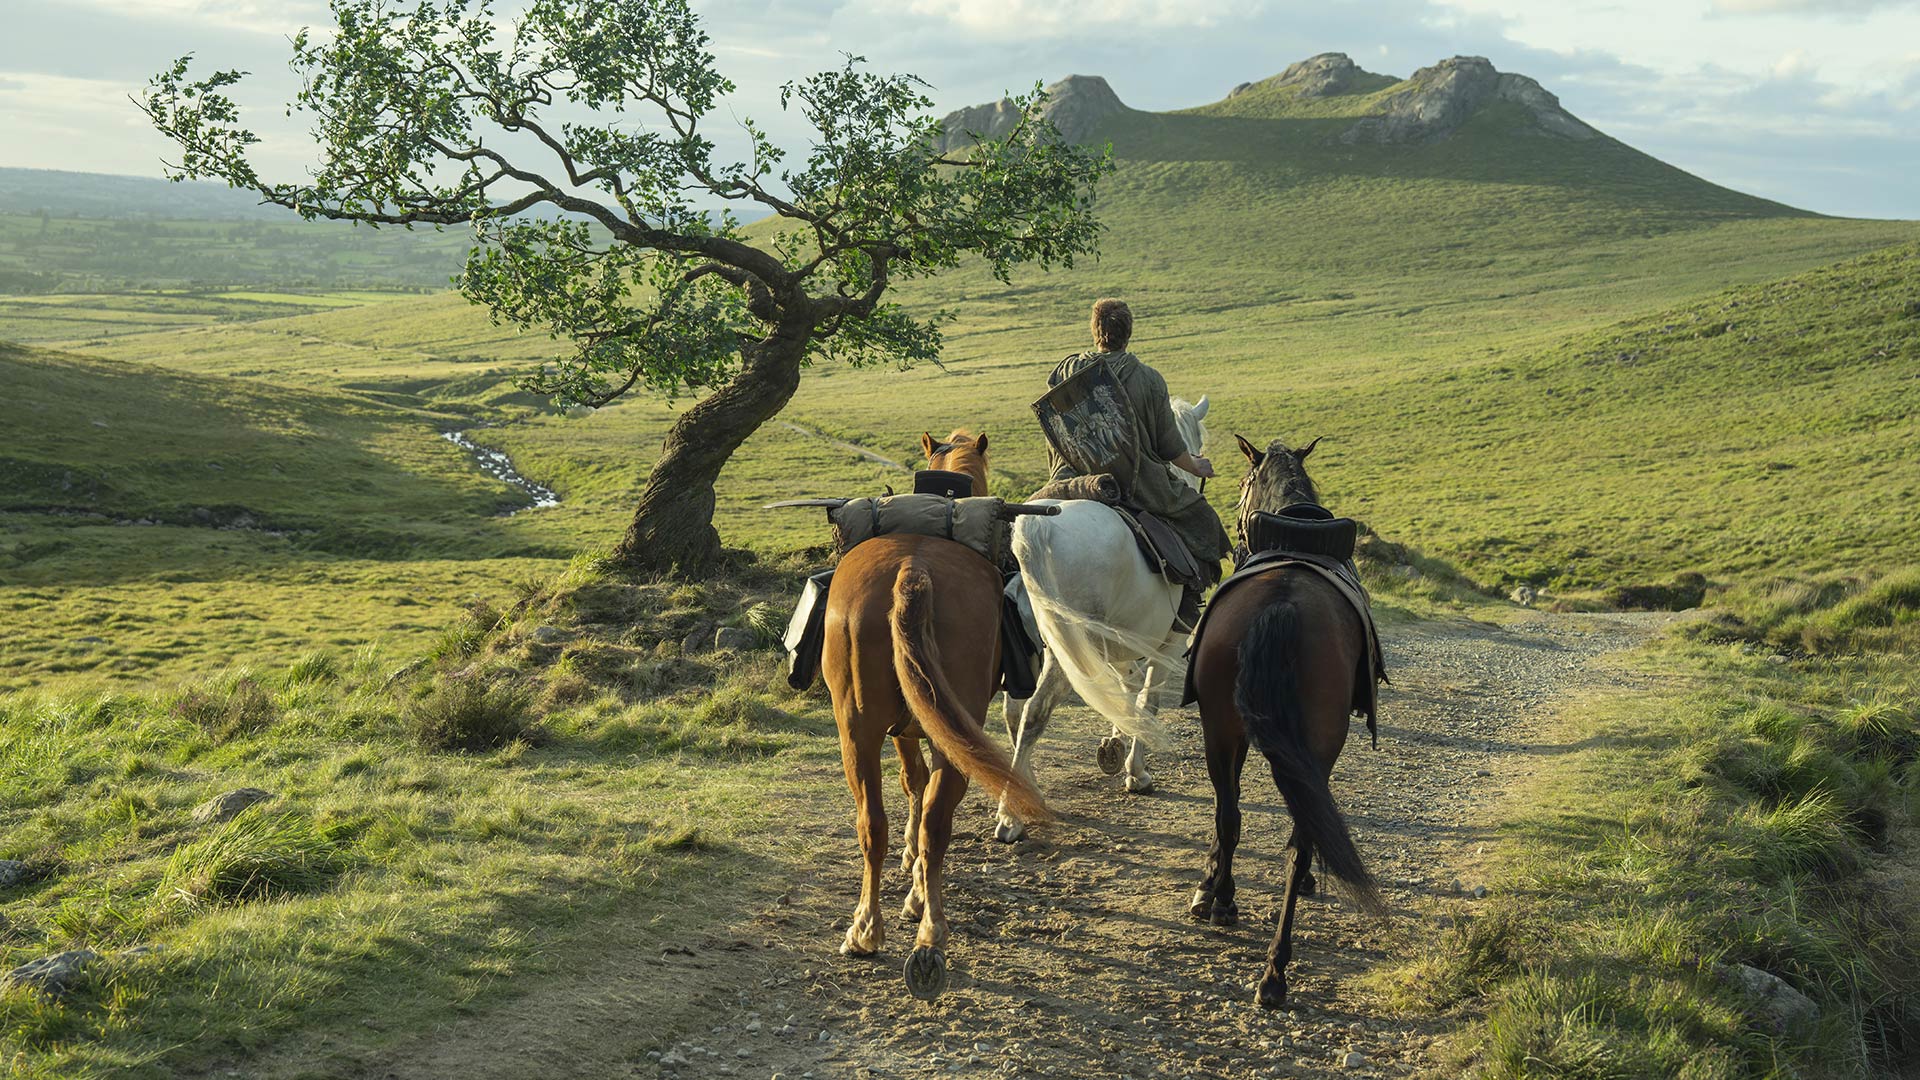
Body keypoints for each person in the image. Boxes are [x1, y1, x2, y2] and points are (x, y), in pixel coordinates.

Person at [1040, 298, 1231, 622]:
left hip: (1072, 475)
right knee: (1203, 520)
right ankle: (1187, 605)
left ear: (1095, 330)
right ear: (1128, 332)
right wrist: (1196, 466)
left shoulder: (1068, 369)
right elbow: (1168, 445)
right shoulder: (1148, 379)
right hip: (1135, 481)